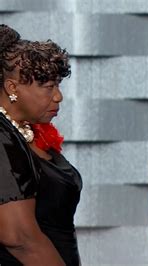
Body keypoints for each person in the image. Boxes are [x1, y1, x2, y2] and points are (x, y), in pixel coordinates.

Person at [0, 24, 81, 265]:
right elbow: (20, 239)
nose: (58, 96)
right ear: (12, 88)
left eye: (58, 85)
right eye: (48, 87)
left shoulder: (30, 131)